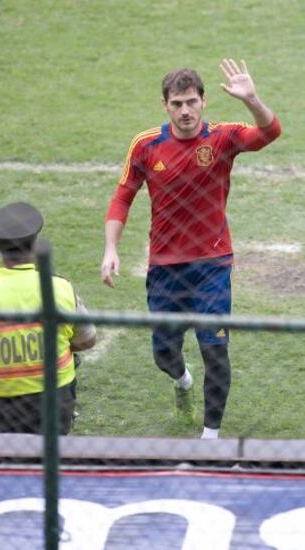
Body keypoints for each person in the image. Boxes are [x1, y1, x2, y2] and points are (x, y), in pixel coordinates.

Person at [101, 59, 281, 439]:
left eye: (191, 102)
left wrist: (252, 99)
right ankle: (181, 378)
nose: (185, 110)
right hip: (165, 268)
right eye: (177, 103)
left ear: (204, 101)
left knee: (215, 351)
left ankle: (210, 437)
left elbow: (270, 132)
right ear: (165, 105)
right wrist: (110, 248)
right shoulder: (146, 146)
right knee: (163, 354)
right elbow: (122, 198)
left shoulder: (222, 138)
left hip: (212, 266)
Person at [0, 202, 96, 434]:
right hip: (52, 405)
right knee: (48, 466)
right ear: (35, 246)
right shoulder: (61, 289)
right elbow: (87, 340)